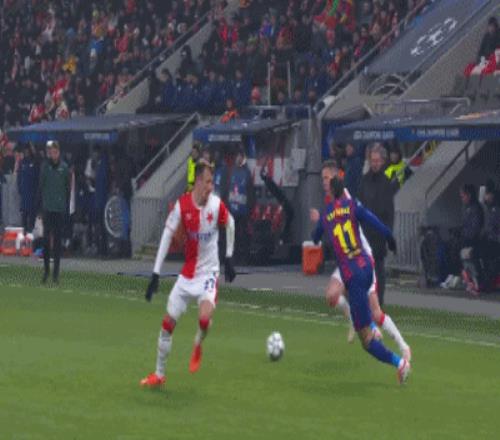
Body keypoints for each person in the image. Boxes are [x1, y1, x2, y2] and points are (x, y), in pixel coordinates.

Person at [140, 159, 236, 388]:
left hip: (209, 273)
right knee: (167, 324)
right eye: (208, 182)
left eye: (212, 182)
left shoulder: (216, 205)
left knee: (204, 319)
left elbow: (231, 223)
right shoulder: (182, 206)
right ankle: (159, 375)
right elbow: (167, 235)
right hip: (187, 275)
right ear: (198, 182)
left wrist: (229, 257)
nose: (211, 187)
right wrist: (155, 273)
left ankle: (198, 342)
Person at [313, 176, 410, 384]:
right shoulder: (352, 206)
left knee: (366, 342)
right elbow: (375, 222)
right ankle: (369, 324)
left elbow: (315, 236)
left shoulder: (327, 213)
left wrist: (319, 227)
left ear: (331, 193)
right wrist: (390, 238)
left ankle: (400, 363)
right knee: (345, 297)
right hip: (366, 266)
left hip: (352, 274)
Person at [358, 144, 395, 306]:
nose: (375, 163)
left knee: (378, 269)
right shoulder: (364, 181)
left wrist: (388, 234)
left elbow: (389, 211)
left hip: (378, 234)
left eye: (377, 161)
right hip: (365, 233)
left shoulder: (386, 183)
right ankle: (365, 300)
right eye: (373, 160)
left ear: (382, 161)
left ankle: (379, 301)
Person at [39, 140, 70, 283]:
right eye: (51, 152)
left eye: (55, 152)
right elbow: (41, 187)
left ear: (59, 152)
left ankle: (55, 274)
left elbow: (67, 189)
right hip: (48, 208)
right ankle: (46, 271)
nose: (53, 154)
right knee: (46, 241)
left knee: (57, 243)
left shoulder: (64, 168)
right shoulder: (45, 167)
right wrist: (40, 207)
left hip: (59, 209)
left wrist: (66, 207)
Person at [228, 146, 255, 264]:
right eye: (237, 156)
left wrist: (249, 209)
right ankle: (233, 256)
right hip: (233, 210)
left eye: (240, 156)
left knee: (242, 235)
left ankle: (243, 257)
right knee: (233, 235)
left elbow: (250, 192)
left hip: (243, 211)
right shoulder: (232, 171)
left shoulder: (246, 173)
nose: (238, 158)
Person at [17, 144, 39, 232]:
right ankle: (24, 231)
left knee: (32, 213)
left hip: (32, 192)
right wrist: (19, 188)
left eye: (27, 151)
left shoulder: (35, 162)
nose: (26, 153)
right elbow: (19, 177)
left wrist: (37, 191)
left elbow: (37, 178)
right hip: (24, 192)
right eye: (25, 151)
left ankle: (31, 231)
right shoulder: (22, 162)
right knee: (24, 214)